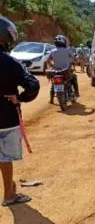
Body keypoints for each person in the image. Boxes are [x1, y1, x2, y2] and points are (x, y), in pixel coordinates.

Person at [0, 17, 40, 206]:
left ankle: (10, 186)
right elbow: (33, 84)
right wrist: (21, 98)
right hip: (6, 118)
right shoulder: (10, 62)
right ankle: (9, 194)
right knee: (5, 157)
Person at [48, 35, 80, 104]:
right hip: (66, 71)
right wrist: (75, 62)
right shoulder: (67, 50)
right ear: (64, 42)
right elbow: (74, 59)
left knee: (53, 84)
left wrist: (52, 65)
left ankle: (51, 99)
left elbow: (47, 61)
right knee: (74, 77)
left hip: (56, 71)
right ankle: (76, 93)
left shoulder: (52, 51)